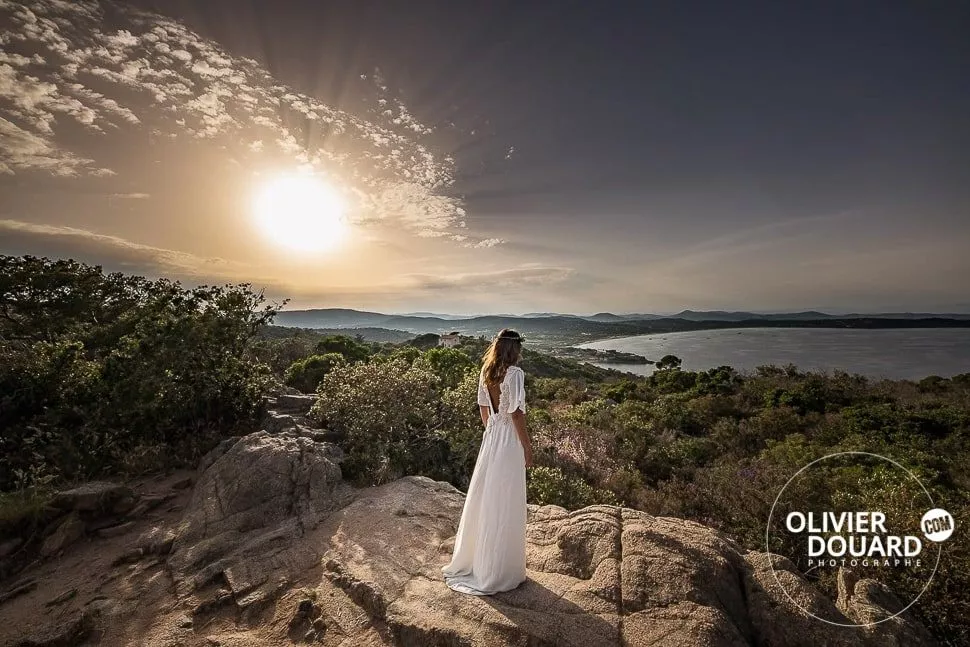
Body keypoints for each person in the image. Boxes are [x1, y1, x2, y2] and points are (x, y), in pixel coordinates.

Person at [442, 328, 533, 595]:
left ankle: (480, 562)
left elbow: (484, 408)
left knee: (487, 496)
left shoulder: (486, 372)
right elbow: (516, 414)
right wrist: (527, 447)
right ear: (515, 349)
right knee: (504, 498)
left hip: (492, 436)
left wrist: (492, 429)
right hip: (507, 439)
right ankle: (499, 569)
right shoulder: (515, 374)